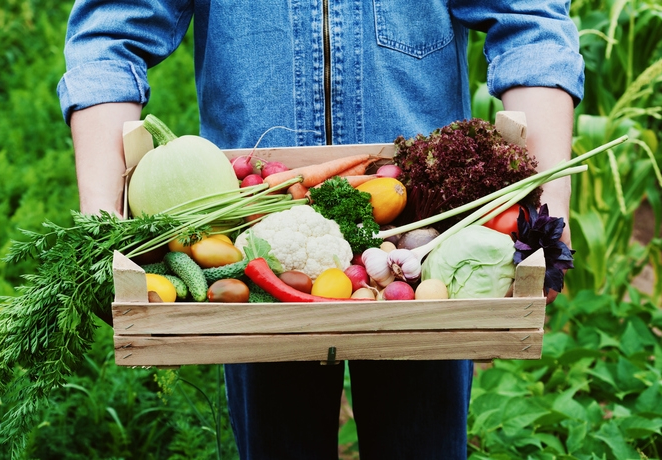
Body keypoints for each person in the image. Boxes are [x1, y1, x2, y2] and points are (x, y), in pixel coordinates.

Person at [58, 1, 584, 458]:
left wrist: (544, 216)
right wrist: (103, 221)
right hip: (251, 228)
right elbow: (110, 33)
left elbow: (529, 21)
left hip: (426, 237)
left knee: (420, 440)